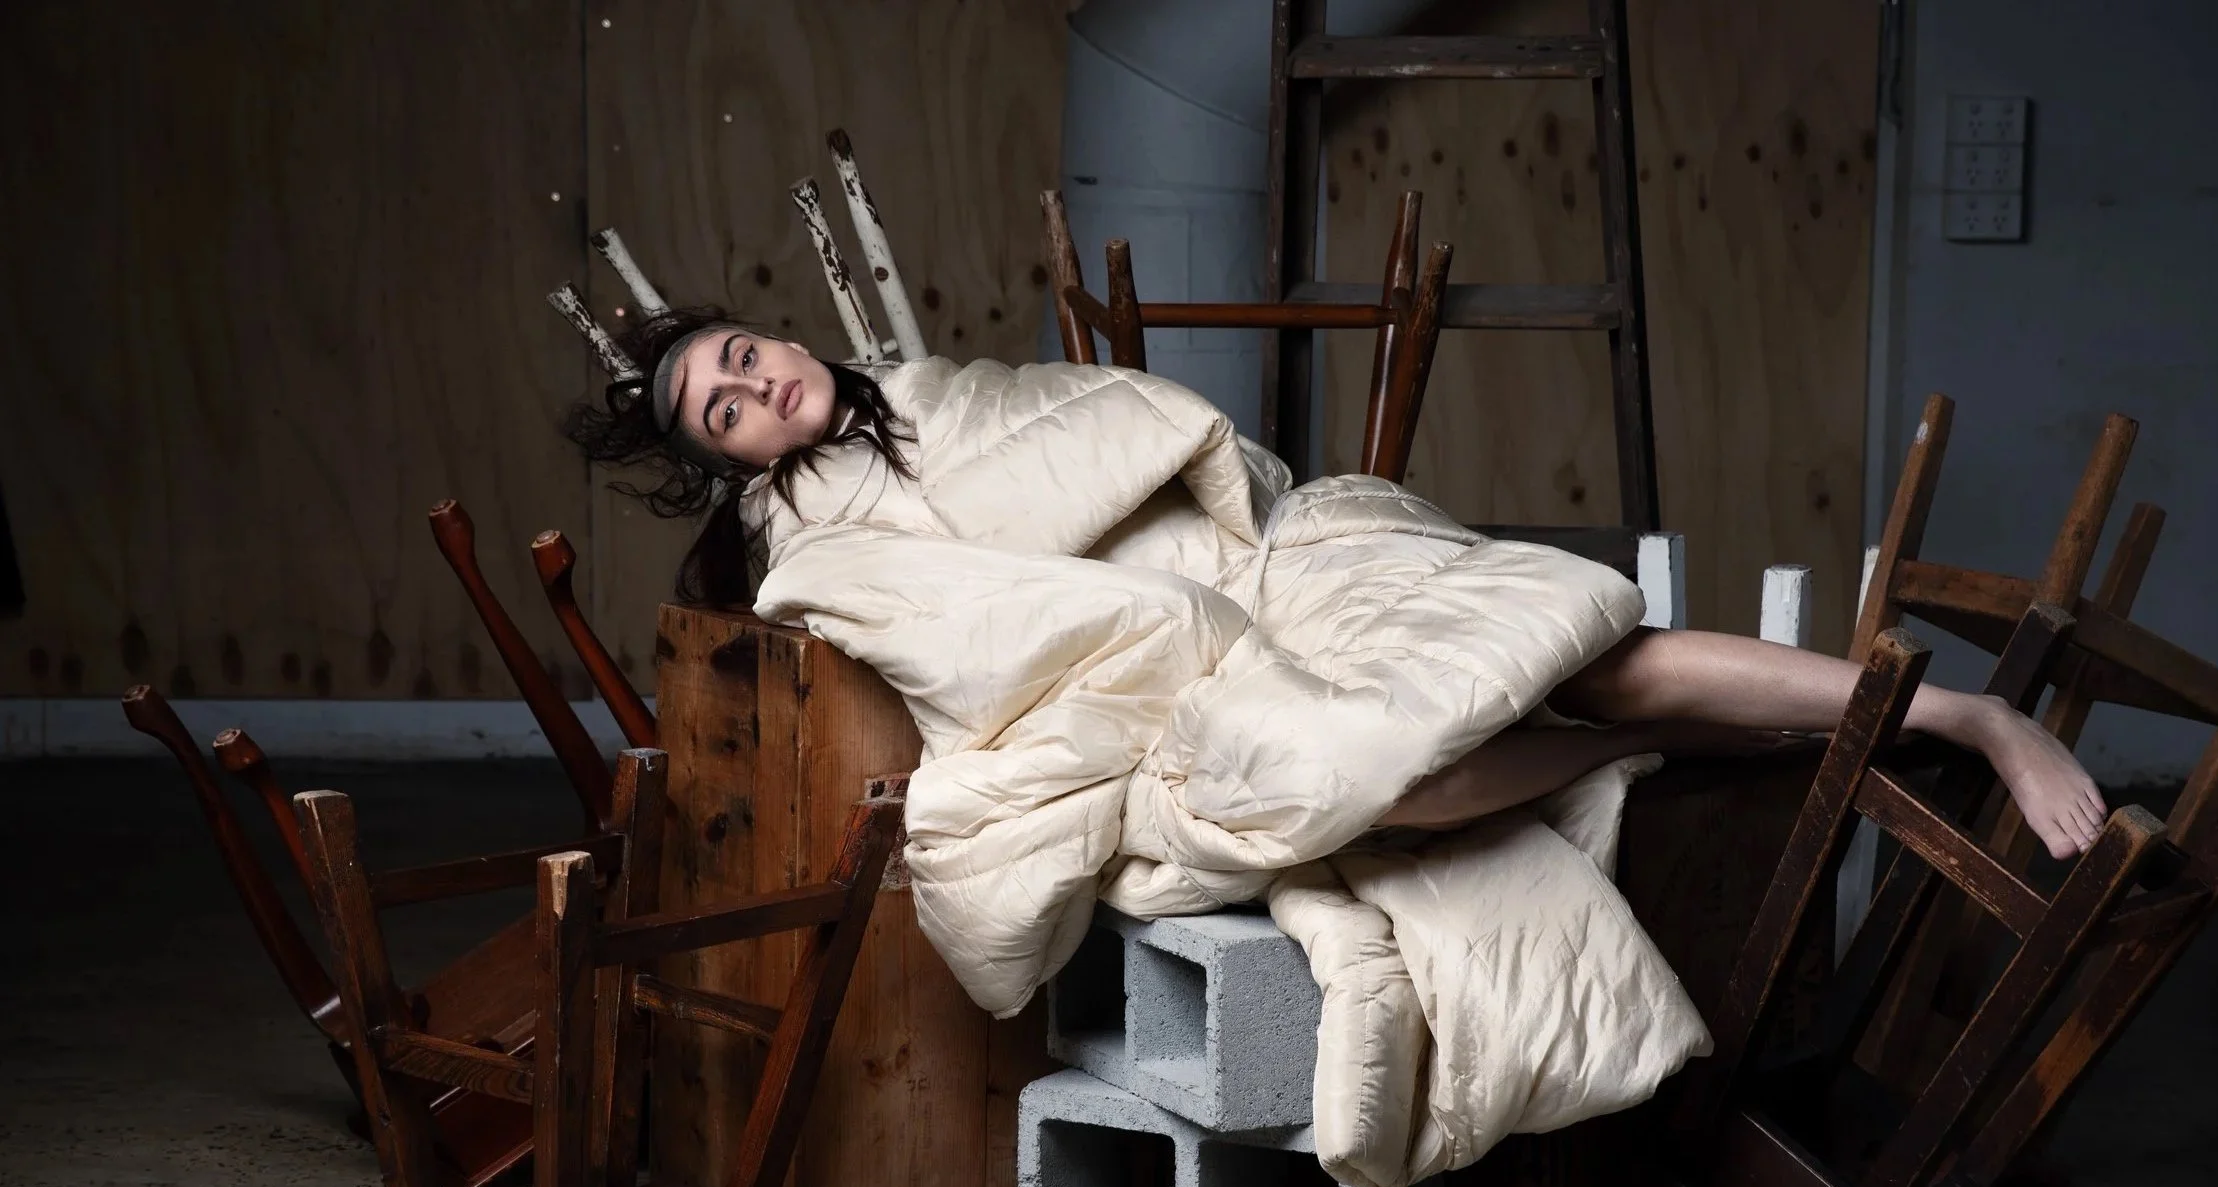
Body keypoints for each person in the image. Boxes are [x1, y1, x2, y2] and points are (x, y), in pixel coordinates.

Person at [566, 311, 2108, 861]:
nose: (756, 384)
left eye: (746, 353)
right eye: (719, 405)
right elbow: (972, 622)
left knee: (1580, 643)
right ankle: (1670, 755)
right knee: (1365, 770)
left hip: (1290, 546)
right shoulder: (808, 539)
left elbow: (1129, 426)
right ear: (722, 458)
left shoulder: (937, 383)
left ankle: (1970, 720)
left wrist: (1244, 546)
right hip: (1192, 643)